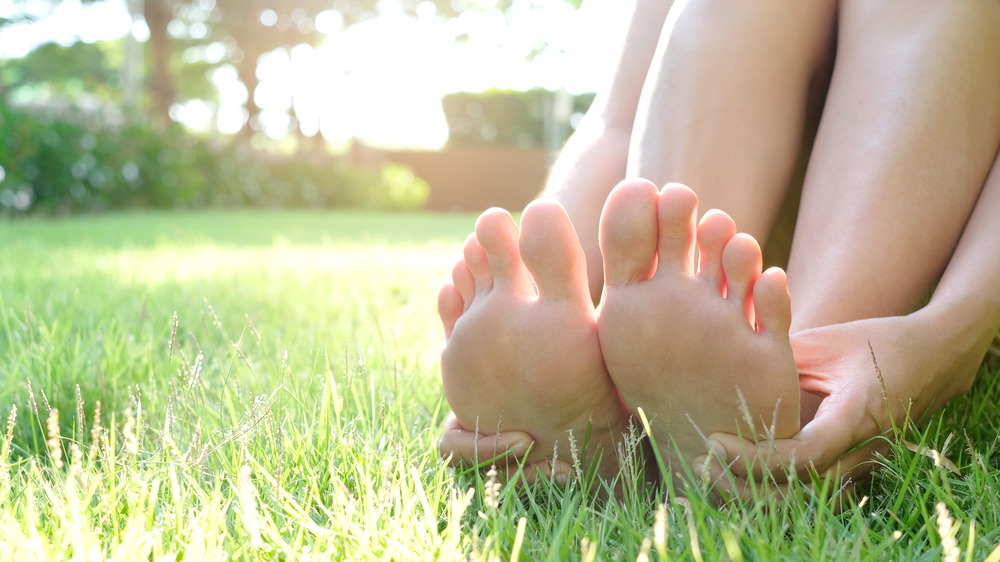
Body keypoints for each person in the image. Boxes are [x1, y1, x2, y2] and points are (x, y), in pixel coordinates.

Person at [436, 0, 1000, 495]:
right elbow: (617, 120)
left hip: (951, 224)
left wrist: (953, 328)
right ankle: (638, 401)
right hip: (748, 229)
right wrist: (541, 313)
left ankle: (804, 397)